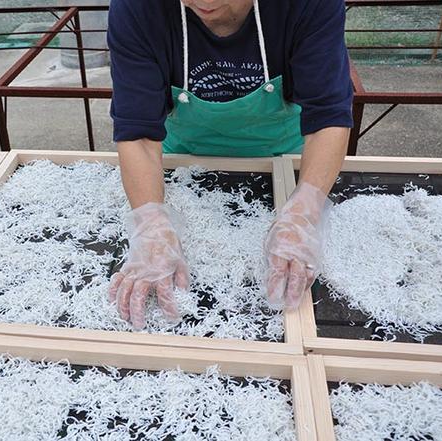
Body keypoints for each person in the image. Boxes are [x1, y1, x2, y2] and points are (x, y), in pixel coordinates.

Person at [107, 0, 353, 330]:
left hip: (285, 157)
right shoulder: (137, 8)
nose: (203, 2)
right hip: (184, 158)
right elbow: (137, 133)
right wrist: (150, 224)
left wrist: (304, 213)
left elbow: (328, 117)